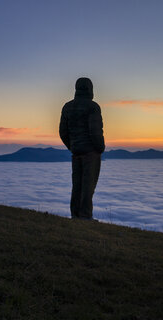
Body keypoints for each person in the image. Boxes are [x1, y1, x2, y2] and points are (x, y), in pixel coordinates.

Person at [59, 77, 105, 220]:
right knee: (88, 186)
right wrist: (100, 148)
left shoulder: (67, 107)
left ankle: (75, 215)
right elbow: (95, 131)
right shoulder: (93, 107)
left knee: (77, 185)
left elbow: (63, 132)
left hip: (76, 152)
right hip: (91, 153)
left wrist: (73, 146)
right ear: (90, 89)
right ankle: (85, 216)